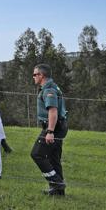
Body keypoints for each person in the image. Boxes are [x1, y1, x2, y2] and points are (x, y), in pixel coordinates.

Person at [30, 63, 68, 196]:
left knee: (37, 154)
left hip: (54, 127)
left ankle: (57, 183)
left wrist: (50, 131)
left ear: (41, 75)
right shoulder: (51, 86)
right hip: (59, 125)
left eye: (35, 74)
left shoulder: (48, 90)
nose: (33, 77)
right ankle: (58, 192)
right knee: (53, 158)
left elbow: (53, 111)